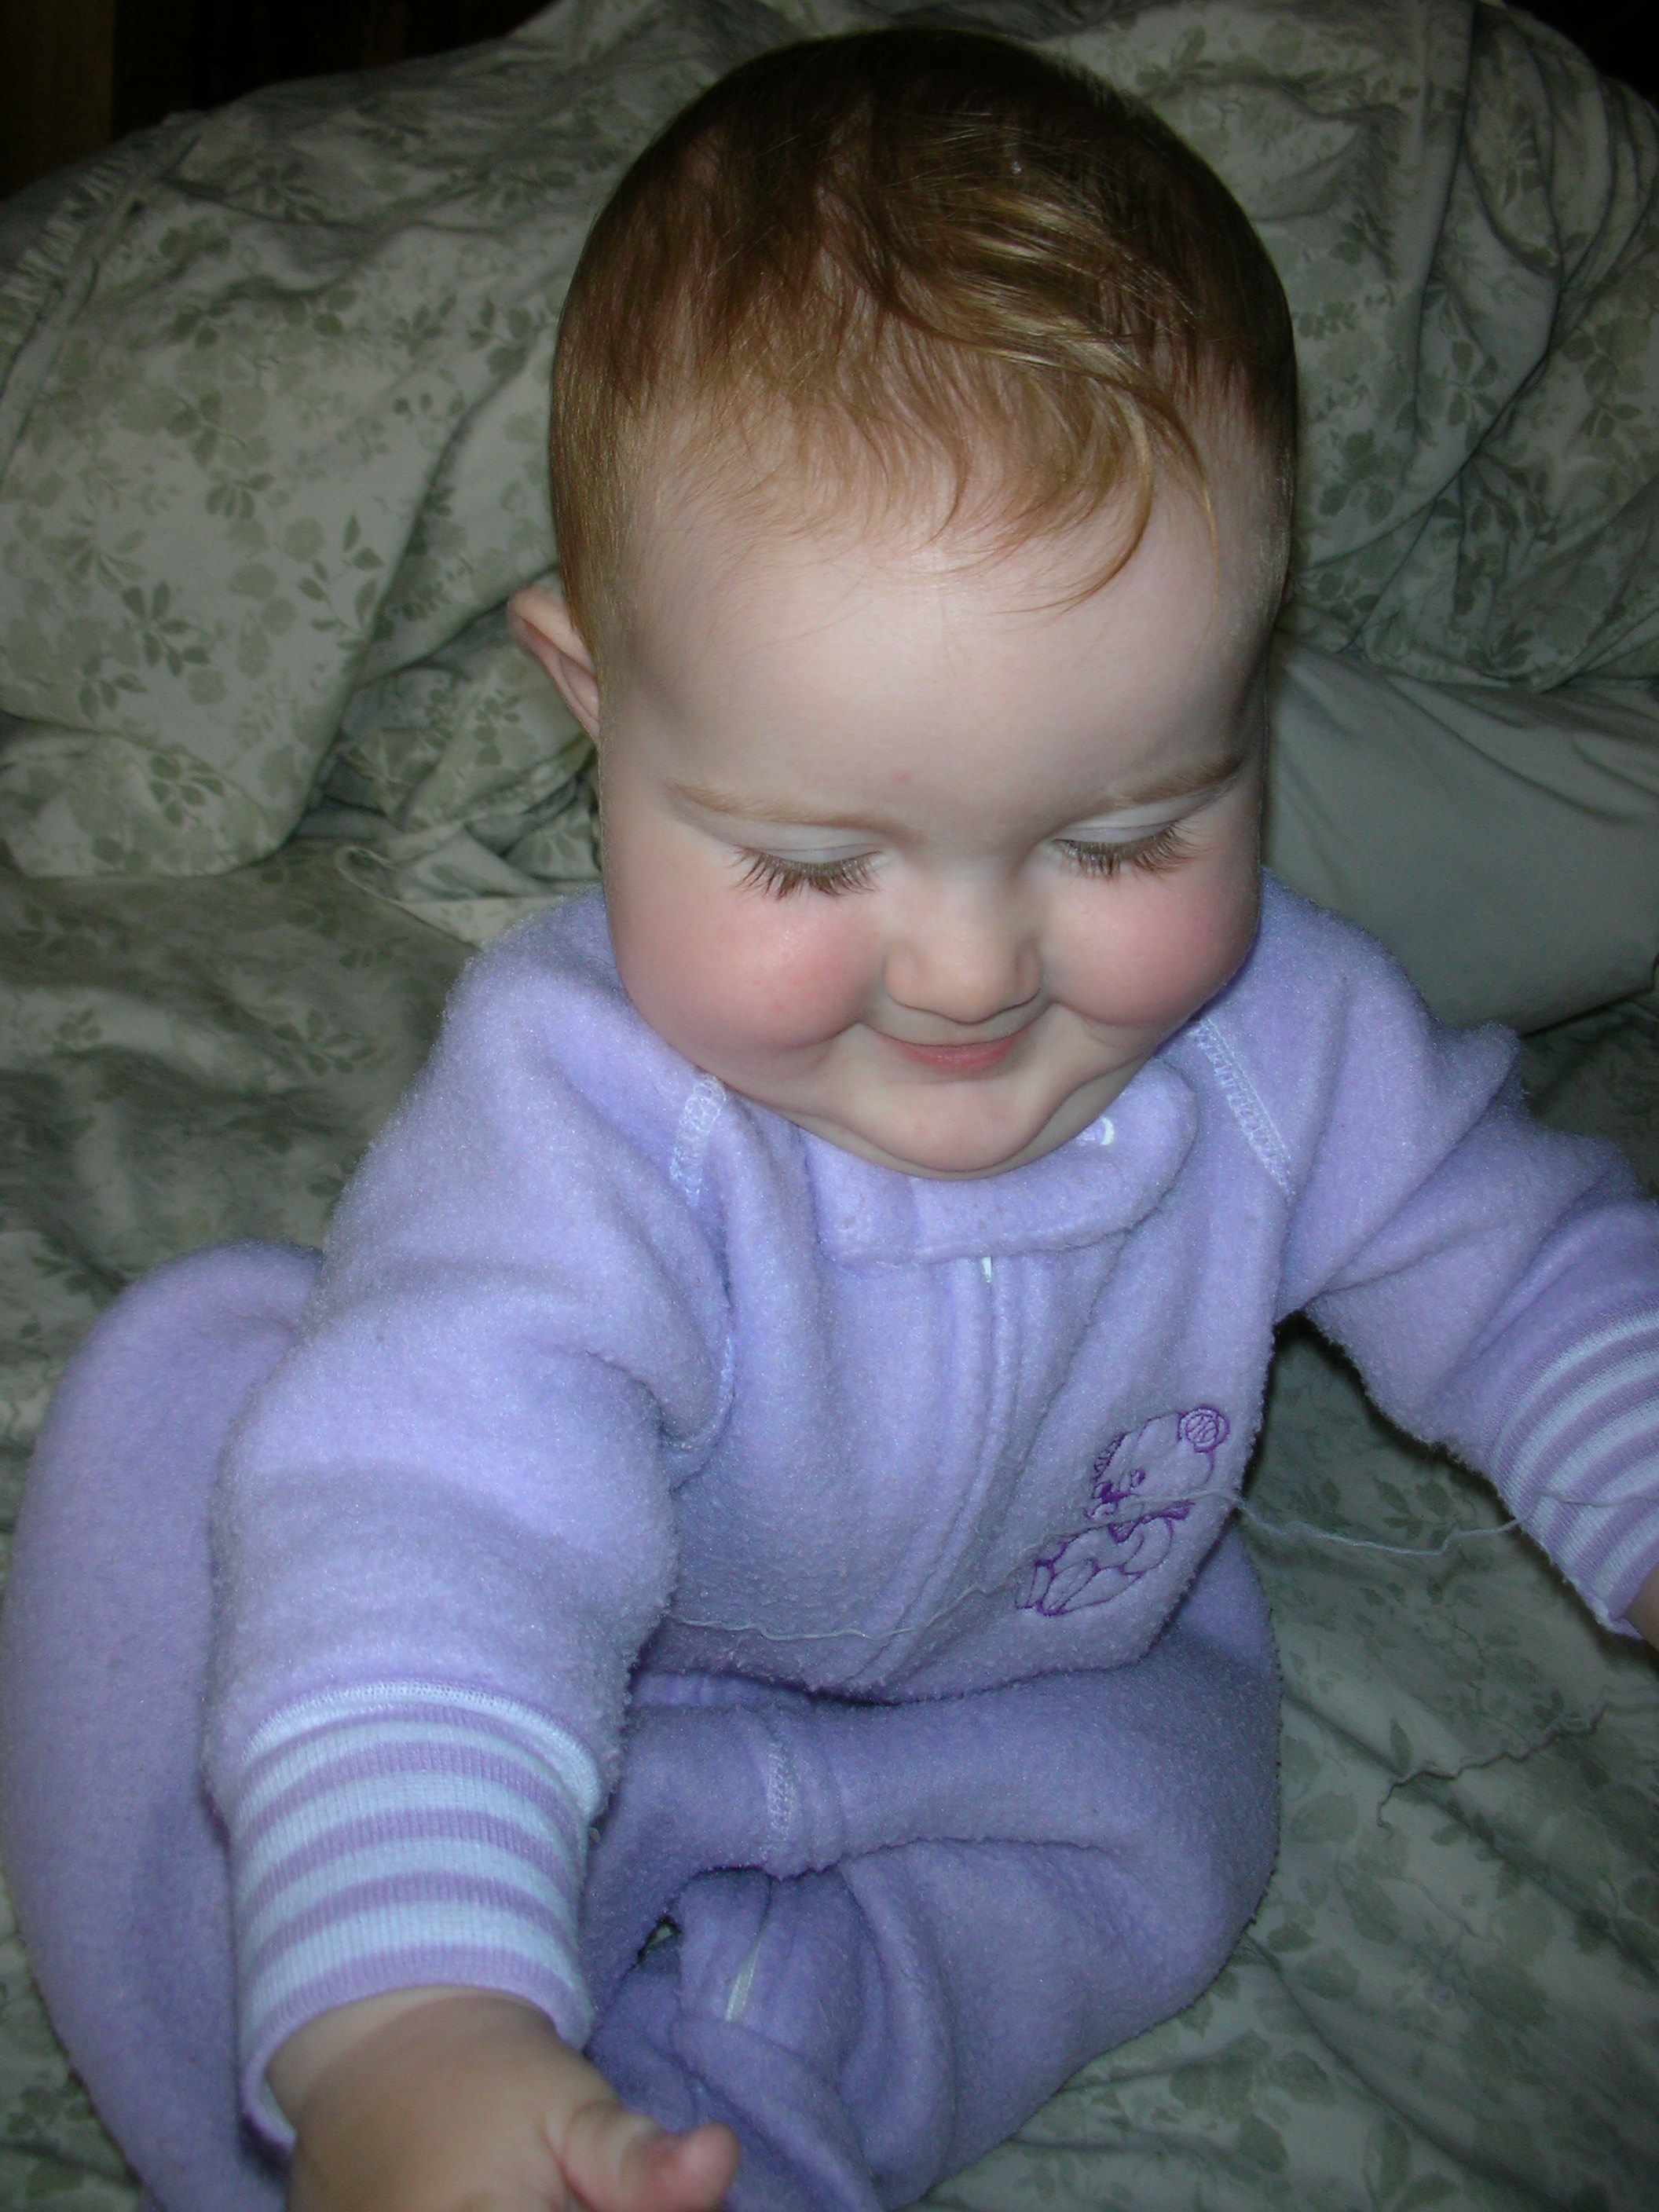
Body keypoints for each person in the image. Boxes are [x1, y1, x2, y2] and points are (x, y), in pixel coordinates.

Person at [2, 27, 1657, 2212]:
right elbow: (447, 1522)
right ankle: (400, 2087)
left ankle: (739, 2113)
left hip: (1033, 1701)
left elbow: (1520, 1265)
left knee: (1177, 1812)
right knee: (205, 1423)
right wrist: (412, 2017)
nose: (970, 976)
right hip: (562, 1665)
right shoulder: (586, 1117)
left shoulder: (1288, 1044)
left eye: (1127, 838)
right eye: (806, 865)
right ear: (595, 708)